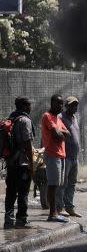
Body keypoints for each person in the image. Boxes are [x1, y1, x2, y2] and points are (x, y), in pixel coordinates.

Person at [4, 97, 34, 229]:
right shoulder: (25, 120)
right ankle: (22, 220)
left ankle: (8, 220)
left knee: (10, 192)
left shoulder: (10, 118)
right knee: (23, 192)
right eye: (28, 105)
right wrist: (32, 163)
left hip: (10, 163)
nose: (30, 108)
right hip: (22, 164)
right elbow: (27, 143)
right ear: (24, 106)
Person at [41, 95, 70, 222]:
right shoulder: (47, 116)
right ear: (52, 103)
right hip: (52, 154)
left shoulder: (58, 118)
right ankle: (52, 214)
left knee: (58, 184)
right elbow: (57, 135)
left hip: (61, 154)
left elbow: (67, 133)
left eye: (62, 104)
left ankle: (56, 212)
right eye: (58, 103)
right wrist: (60, 133)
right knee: (53, 185)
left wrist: (60, 133)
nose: (60, 106)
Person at [57, 96, 82, 218]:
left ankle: (69, 207)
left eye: (76, 105)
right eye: (72, 105)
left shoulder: (74, 118)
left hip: (74, 157)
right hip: (64, 156)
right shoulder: (60, 118)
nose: (75, 107)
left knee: (72, 183)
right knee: (62, 183)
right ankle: (60, 208)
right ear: (66, 106)